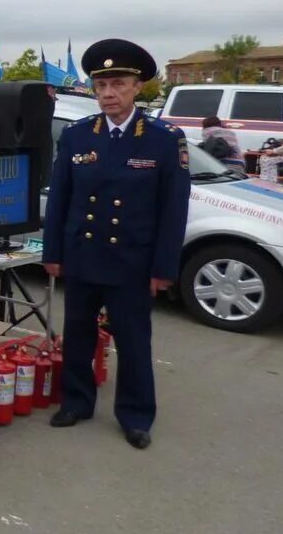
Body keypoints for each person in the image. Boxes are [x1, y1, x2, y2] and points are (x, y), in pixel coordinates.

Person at [43, 39, 190, 450]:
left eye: (118, 84)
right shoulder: (77, 136)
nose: (108, 94)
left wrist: (164, 268)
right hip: (83, 253)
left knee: (133, 340)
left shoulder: (163, 139)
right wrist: (52, 253)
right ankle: (76, 401)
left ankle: (136, 414)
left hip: (132, 260)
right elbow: (60, 199)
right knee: (78, 334)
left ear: (137, 87)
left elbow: (174, 209)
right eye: (101, 85)